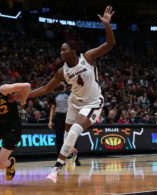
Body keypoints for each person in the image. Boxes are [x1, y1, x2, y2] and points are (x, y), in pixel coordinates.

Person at [10, 5, 115, 183]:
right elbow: (45, 89)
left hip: (92, 102)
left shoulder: (88, 57)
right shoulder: (62, 72)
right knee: (69, 137)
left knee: (73, 132)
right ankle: (71, 153)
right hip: (74, 102)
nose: (61, 52)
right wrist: (26, 96)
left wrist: (107, 25)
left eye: (64, 49)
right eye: (60, 50)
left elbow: (110, 44)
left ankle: (56, 167)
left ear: (74, 51)